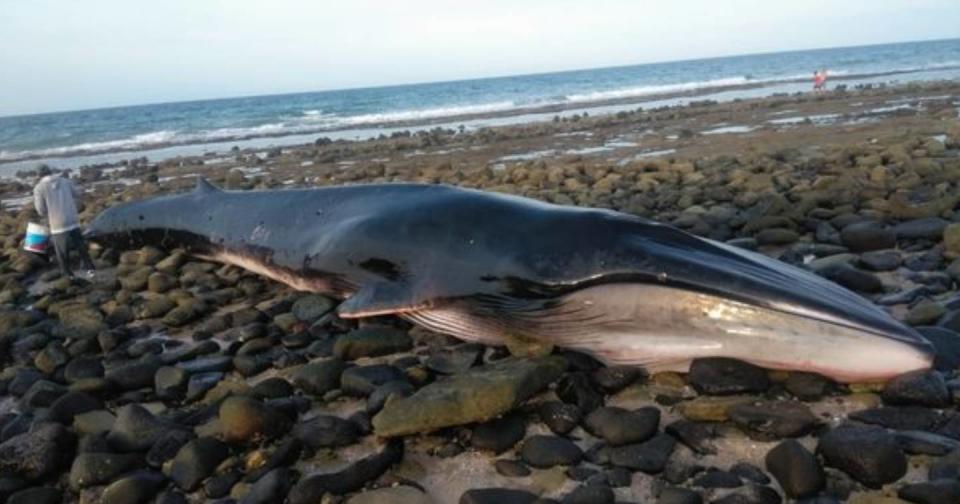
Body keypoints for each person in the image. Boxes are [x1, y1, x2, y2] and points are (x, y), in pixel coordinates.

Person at [33, 165, 95, 279]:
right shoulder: (65, 181)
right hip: (72, 219)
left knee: (62, 251)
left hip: (57, 223)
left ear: (38, 175)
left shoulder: (39, 188)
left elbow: (40, 210)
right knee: (80, 246)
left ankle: (68, 275)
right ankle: (90, 269)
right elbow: (77, 193)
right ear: (50, 171)